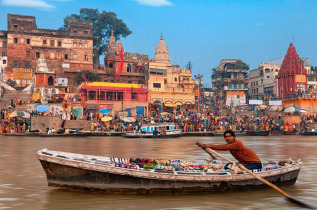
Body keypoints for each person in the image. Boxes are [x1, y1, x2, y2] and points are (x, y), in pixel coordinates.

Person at [197, 130, 262, 170]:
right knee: (227, 166)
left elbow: (223, 147)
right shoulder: (230, 146)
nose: (227, 138)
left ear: (233, 137)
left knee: (238, 170)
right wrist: (205, 146)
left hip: (255, 164)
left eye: (229, 136)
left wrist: (209, 145)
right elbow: (224, 147)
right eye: (226, 137)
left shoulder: (237, 143)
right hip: (244, 163)